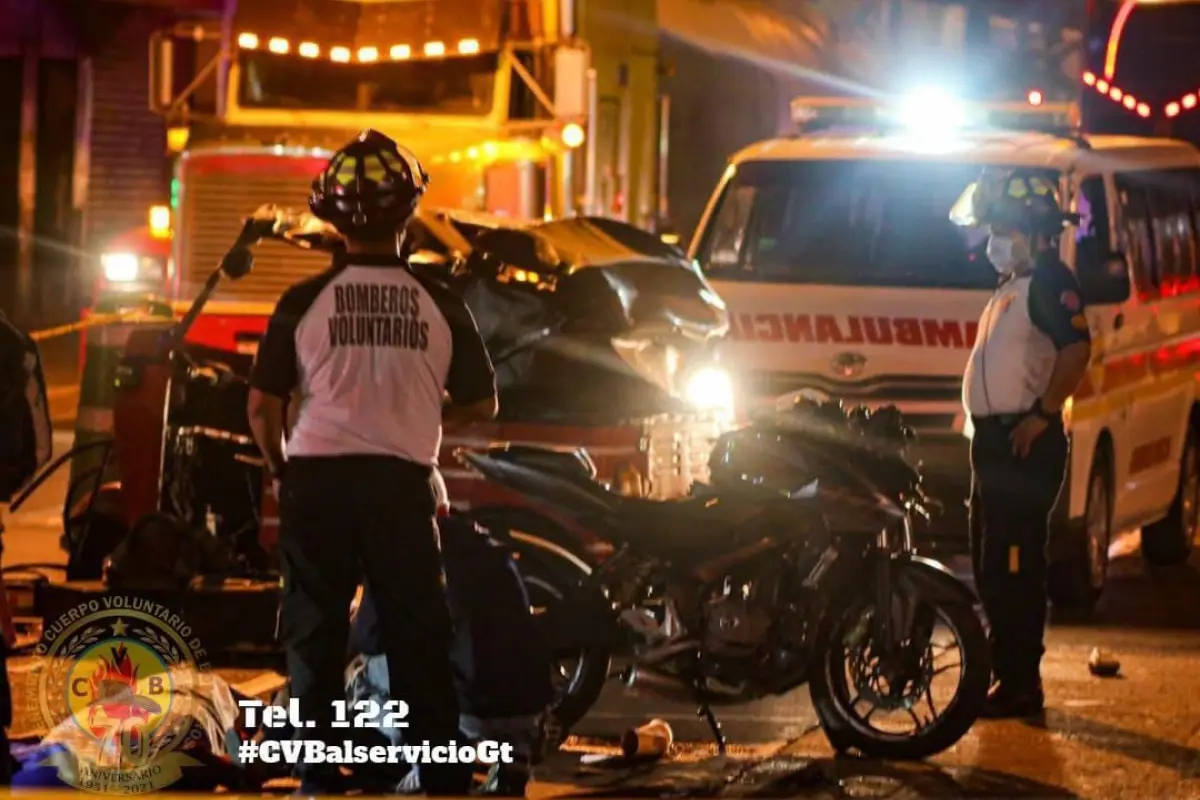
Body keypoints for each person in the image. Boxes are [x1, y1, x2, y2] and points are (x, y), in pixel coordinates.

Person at [246, 129, 498, 794]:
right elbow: (482, 403)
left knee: (314, 636)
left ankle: (318, 779)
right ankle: (444, 780)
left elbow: (260, 407)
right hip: (400, 486)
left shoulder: (302, 303)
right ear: (409, 213)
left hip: (317, 484)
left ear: (328, 214)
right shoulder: (440, 302)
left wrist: (281, 468)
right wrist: (420, 419)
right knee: (418, 637)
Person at [961, 181, 1092, 719]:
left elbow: (1077, 349)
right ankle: (1004, 673)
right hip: (995, 445)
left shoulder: (1049, 281)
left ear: (1033, 234)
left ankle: (1020, 683)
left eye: (1003, 229)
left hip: (1022, 445)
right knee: (992, 565)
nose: (993, 239)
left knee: (1015, 567)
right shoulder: (1012, 284)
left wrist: (1041, 414)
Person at [348, 470, 554, 796]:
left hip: (463, 709)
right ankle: (514, 764)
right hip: (528, 711)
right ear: (445, 510)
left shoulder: (401, 554)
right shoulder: (492, 549)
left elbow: (366, 640)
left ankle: (421, 762)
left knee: (362, 674)